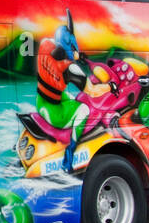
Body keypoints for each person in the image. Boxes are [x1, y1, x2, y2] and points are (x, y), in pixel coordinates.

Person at [34, 12, 112, 172]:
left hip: (41, 101)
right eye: (73, 48)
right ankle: (69, 154)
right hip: (54, 112)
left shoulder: (45, 46)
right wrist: (111, 87)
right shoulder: (70, 69)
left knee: (69, 96)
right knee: (83, 108)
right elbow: (93, 91)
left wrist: (75, 55)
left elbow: (61, 50)